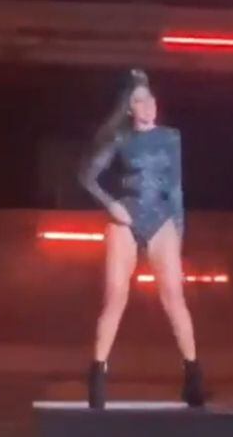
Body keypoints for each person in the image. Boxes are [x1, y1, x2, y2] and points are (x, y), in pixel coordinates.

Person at [79, 69, 206, 409]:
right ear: (129, 108)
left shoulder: (170, 137)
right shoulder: (120, 139)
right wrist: (112, 205)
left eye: (150, 99)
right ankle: (97, 375)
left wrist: (178, 231)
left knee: (173, 297)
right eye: (139, 101)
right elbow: (88, 176)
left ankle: (193, 377)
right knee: (115, 296)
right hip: (126, 217)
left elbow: (176, 188)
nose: (147, 106)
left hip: (162, 218)